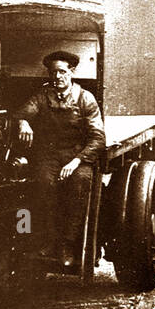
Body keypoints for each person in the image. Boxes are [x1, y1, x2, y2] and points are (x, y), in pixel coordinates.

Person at [16, 50, 106, 269]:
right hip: (50, 155)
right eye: (53, 72)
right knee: (43, 185)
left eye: (62, 72)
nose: (57, 77)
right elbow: (22, 112)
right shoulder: (42, 96)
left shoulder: (85, 99)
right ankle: (50, 241)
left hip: (77, 156)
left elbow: (98, 137)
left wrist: (77, 161)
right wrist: (23, 122)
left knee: (79, 186)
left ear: (71, 72)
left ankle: (68, 245)